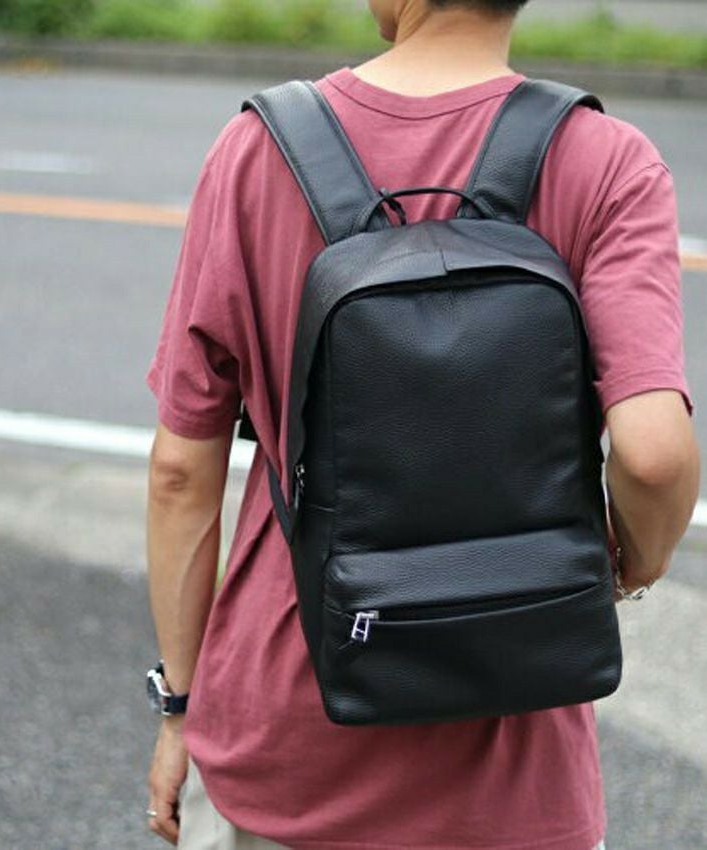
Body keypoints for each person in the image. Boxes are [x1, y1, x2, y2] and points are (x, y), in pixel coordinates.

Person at [143, 0, 700, 847]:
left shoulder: (256, 150)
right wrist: (633, 565)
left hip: (287, 736)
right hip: (511, 767)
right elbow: (653, 456)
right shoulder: (606, 159)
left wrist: (179, 705)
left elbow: (181, 472)